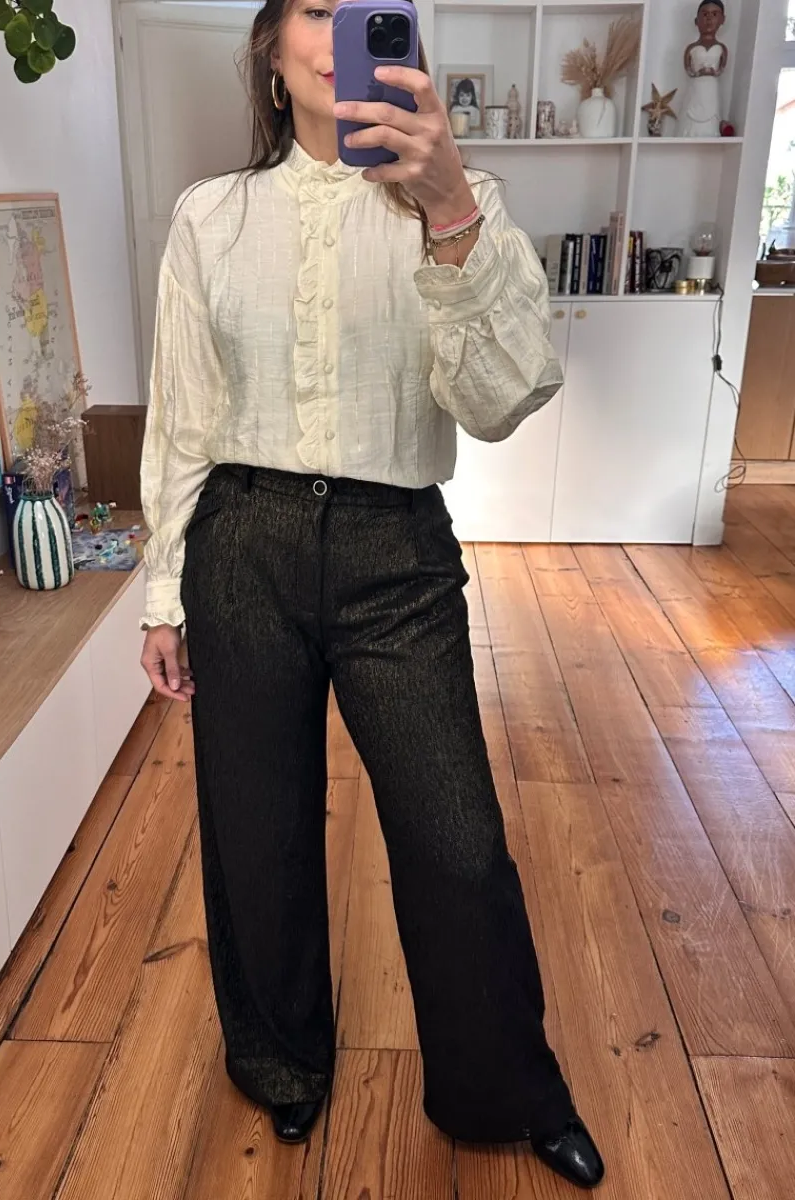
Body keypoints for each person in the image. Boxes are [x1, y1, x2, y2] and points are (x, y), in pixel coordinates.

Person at [138, 0, 604, 1189]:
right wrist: (162, 588)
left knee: (456, 839)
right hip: (240, 542)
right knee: (256, 830)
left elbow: (503, 399)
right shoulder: (209, 216)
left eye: (365, 8)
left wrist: (446, 208)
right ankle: (281, 1061)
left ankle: (502, 1086)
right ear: (271, 53)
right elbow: (183, 414)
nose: (340, 26)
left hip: (397, 548)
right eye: (315, 7)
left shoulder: (462, 200)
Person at [679, 0, 727, 138]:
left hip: (711, 86)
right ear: (696, 20)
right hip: (696, 85)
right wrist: (698, 73)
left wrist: (714, 72)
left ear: (722, 19)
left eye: (714, 14)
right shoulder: (691, 48)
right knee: (692, 108)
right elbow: (688, 69)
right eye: (705, 14)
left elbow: (722, 67)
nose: (709, 19)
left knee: (712, 109)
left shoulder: (721, 48)